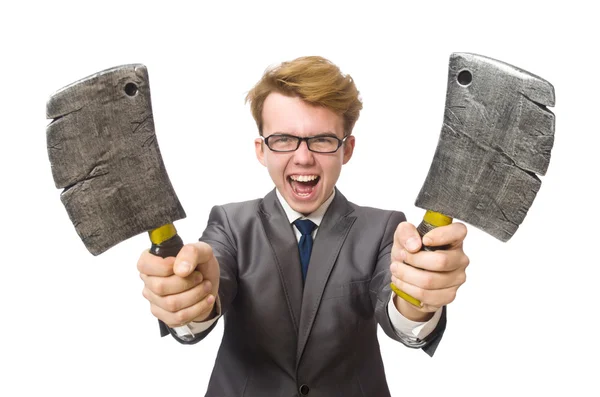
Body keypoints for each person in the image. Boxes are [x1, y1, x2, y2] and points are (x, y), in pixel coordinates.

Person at [137, 56, 469, 397]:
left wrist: (420, 295)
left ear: (347, 149)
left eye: (322, 140)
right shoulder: (230, 224)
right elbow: (206, 294)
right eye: (283, 139)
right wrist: (189, 296)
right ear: (261, 150)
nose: (303, 157)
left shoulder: (385, 228)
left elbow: (400, 315)